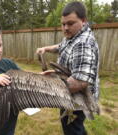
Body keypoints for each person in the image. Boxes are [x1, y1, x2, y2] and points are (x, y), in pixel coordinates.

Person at [36, 1, 99, 135]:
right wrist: (46, 49)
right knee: (76, 127)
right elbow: (61, 46)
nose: (65, 28)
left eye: (70, 23)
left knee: (72, 129)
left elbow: (79, 82)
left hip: (78, 100)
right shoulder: (73, 36)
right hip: (70, 96)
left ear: (83, 21)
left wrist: (49, 82)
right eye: (63, 24)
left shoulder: (83, 44)